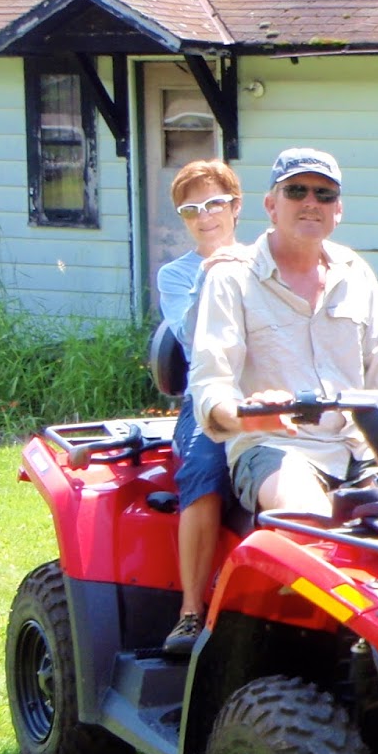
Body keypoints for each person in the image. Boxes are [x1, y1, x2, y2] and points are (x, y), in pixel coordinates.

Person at [190, 146, 378, 540]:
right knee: (314, 525)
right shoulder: (231, 278)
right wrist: (250, 415)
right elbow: (211, 384)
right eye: (296, 191)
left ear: (338, 210)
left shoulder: (356, 273)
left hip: (359, 448)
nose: (311, 202)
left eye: (324, 194)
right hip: (275, 447)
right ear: (271, 205)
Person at [159, 160, 243, 656]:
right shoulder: (175, 275)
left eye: (213, 204)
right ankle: (190, 612)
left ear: (236, 207)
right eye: (190, 210)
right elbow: (190, 336)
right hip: (208, 394)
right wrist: (208, 275)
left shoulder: (264, 260)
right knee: (205, 467)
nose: (204, 216)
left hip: (269, 389)